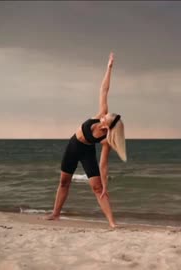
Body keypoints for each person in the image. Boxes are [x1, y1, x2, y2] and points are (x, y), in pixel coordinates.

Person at [45, 52, 127, 228]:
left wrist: (105, 184)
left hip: (87, 152)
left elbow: (103, 164)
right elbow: (104, 90)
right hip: (73, 145)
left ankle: (112, 222)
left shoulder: (106, 140)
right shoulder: (101, 114)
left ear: (108, 126)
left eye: (108, 117)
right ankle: (56, 214)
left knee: (98, 188)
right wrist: (109, 67)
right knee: (64, 181)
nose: (105, 115)